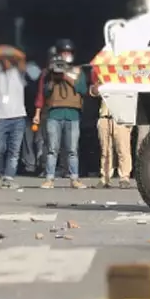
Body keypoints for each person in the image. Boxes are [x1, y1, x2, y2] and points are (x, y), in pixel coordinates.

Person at [34, 39, 88, 188]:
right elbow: (43, 92)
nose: (66, 56)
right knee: (52, 149)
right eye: (63, 53)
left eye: (68, 53)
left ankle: (74, 179)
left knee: (72, 150)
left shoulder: (78, 71)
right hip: (54, 114)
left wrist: (66, 76)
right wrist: (52, 77)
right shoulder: (49, 72)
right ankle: (49, 178)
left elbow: (82, 89)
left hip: (73, 114)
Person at [0, 43, 29, 190]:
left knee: (14, 150)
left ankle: (9, 177)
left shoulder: (19, 73)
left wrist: (7, 51)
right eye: (3, 60)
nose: (5, 62)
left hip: (18, 117)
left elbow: (22, 56)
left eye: (8, 59)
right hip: (0, 117)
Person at [91, 71, 132, 187]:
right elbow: (93, 92)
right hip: (105, 116)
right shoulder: (104, 77)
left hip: (121, 117)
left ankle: (124, 177)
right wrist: (99, 84)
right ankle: (105, 177)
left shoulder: (126, 78)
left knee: (123, 149)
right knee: (105, 150)